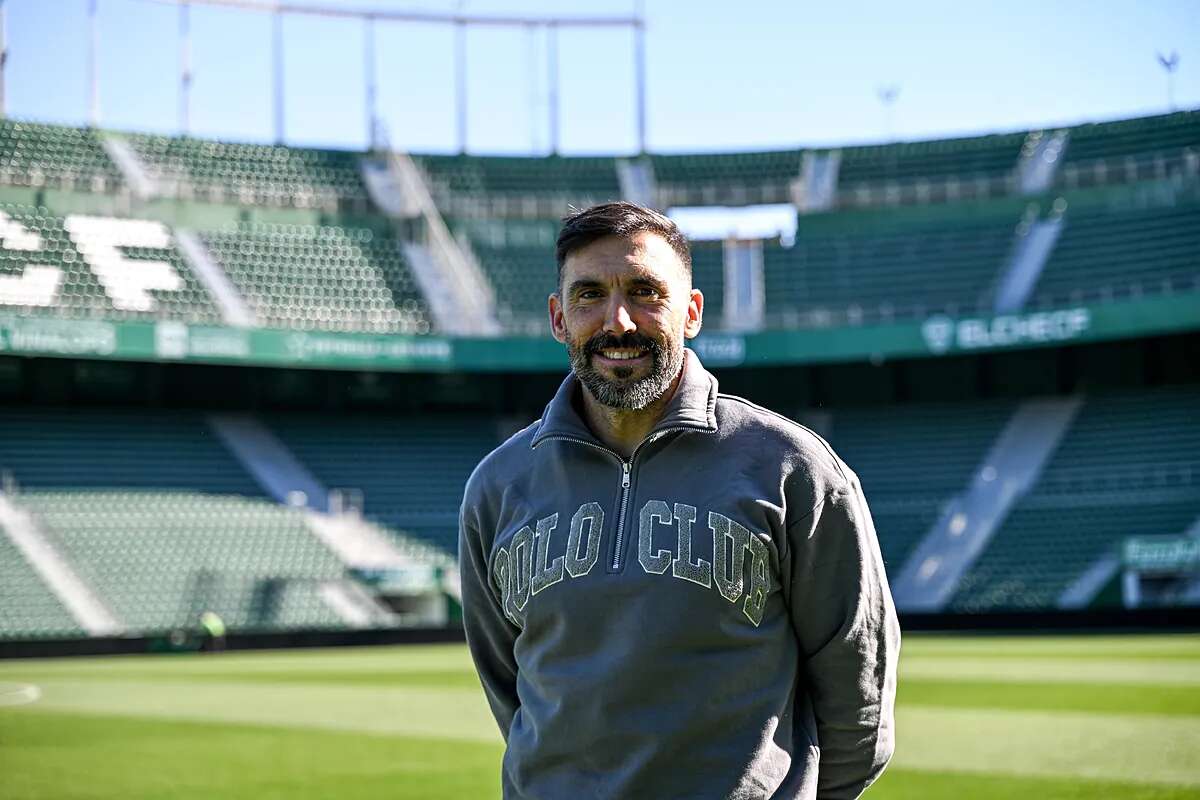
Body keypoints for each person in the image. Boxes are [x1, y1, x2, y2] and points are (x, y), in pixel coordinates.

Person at [459, 201, 900, 800]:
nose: (618, 321)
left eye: (645, 291)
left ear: (691, 312)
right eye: (589, 295)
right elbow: (507, 686)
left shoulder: (794, 469)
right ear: (559, 318)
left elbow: (859, 700)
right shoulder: (497, 486)